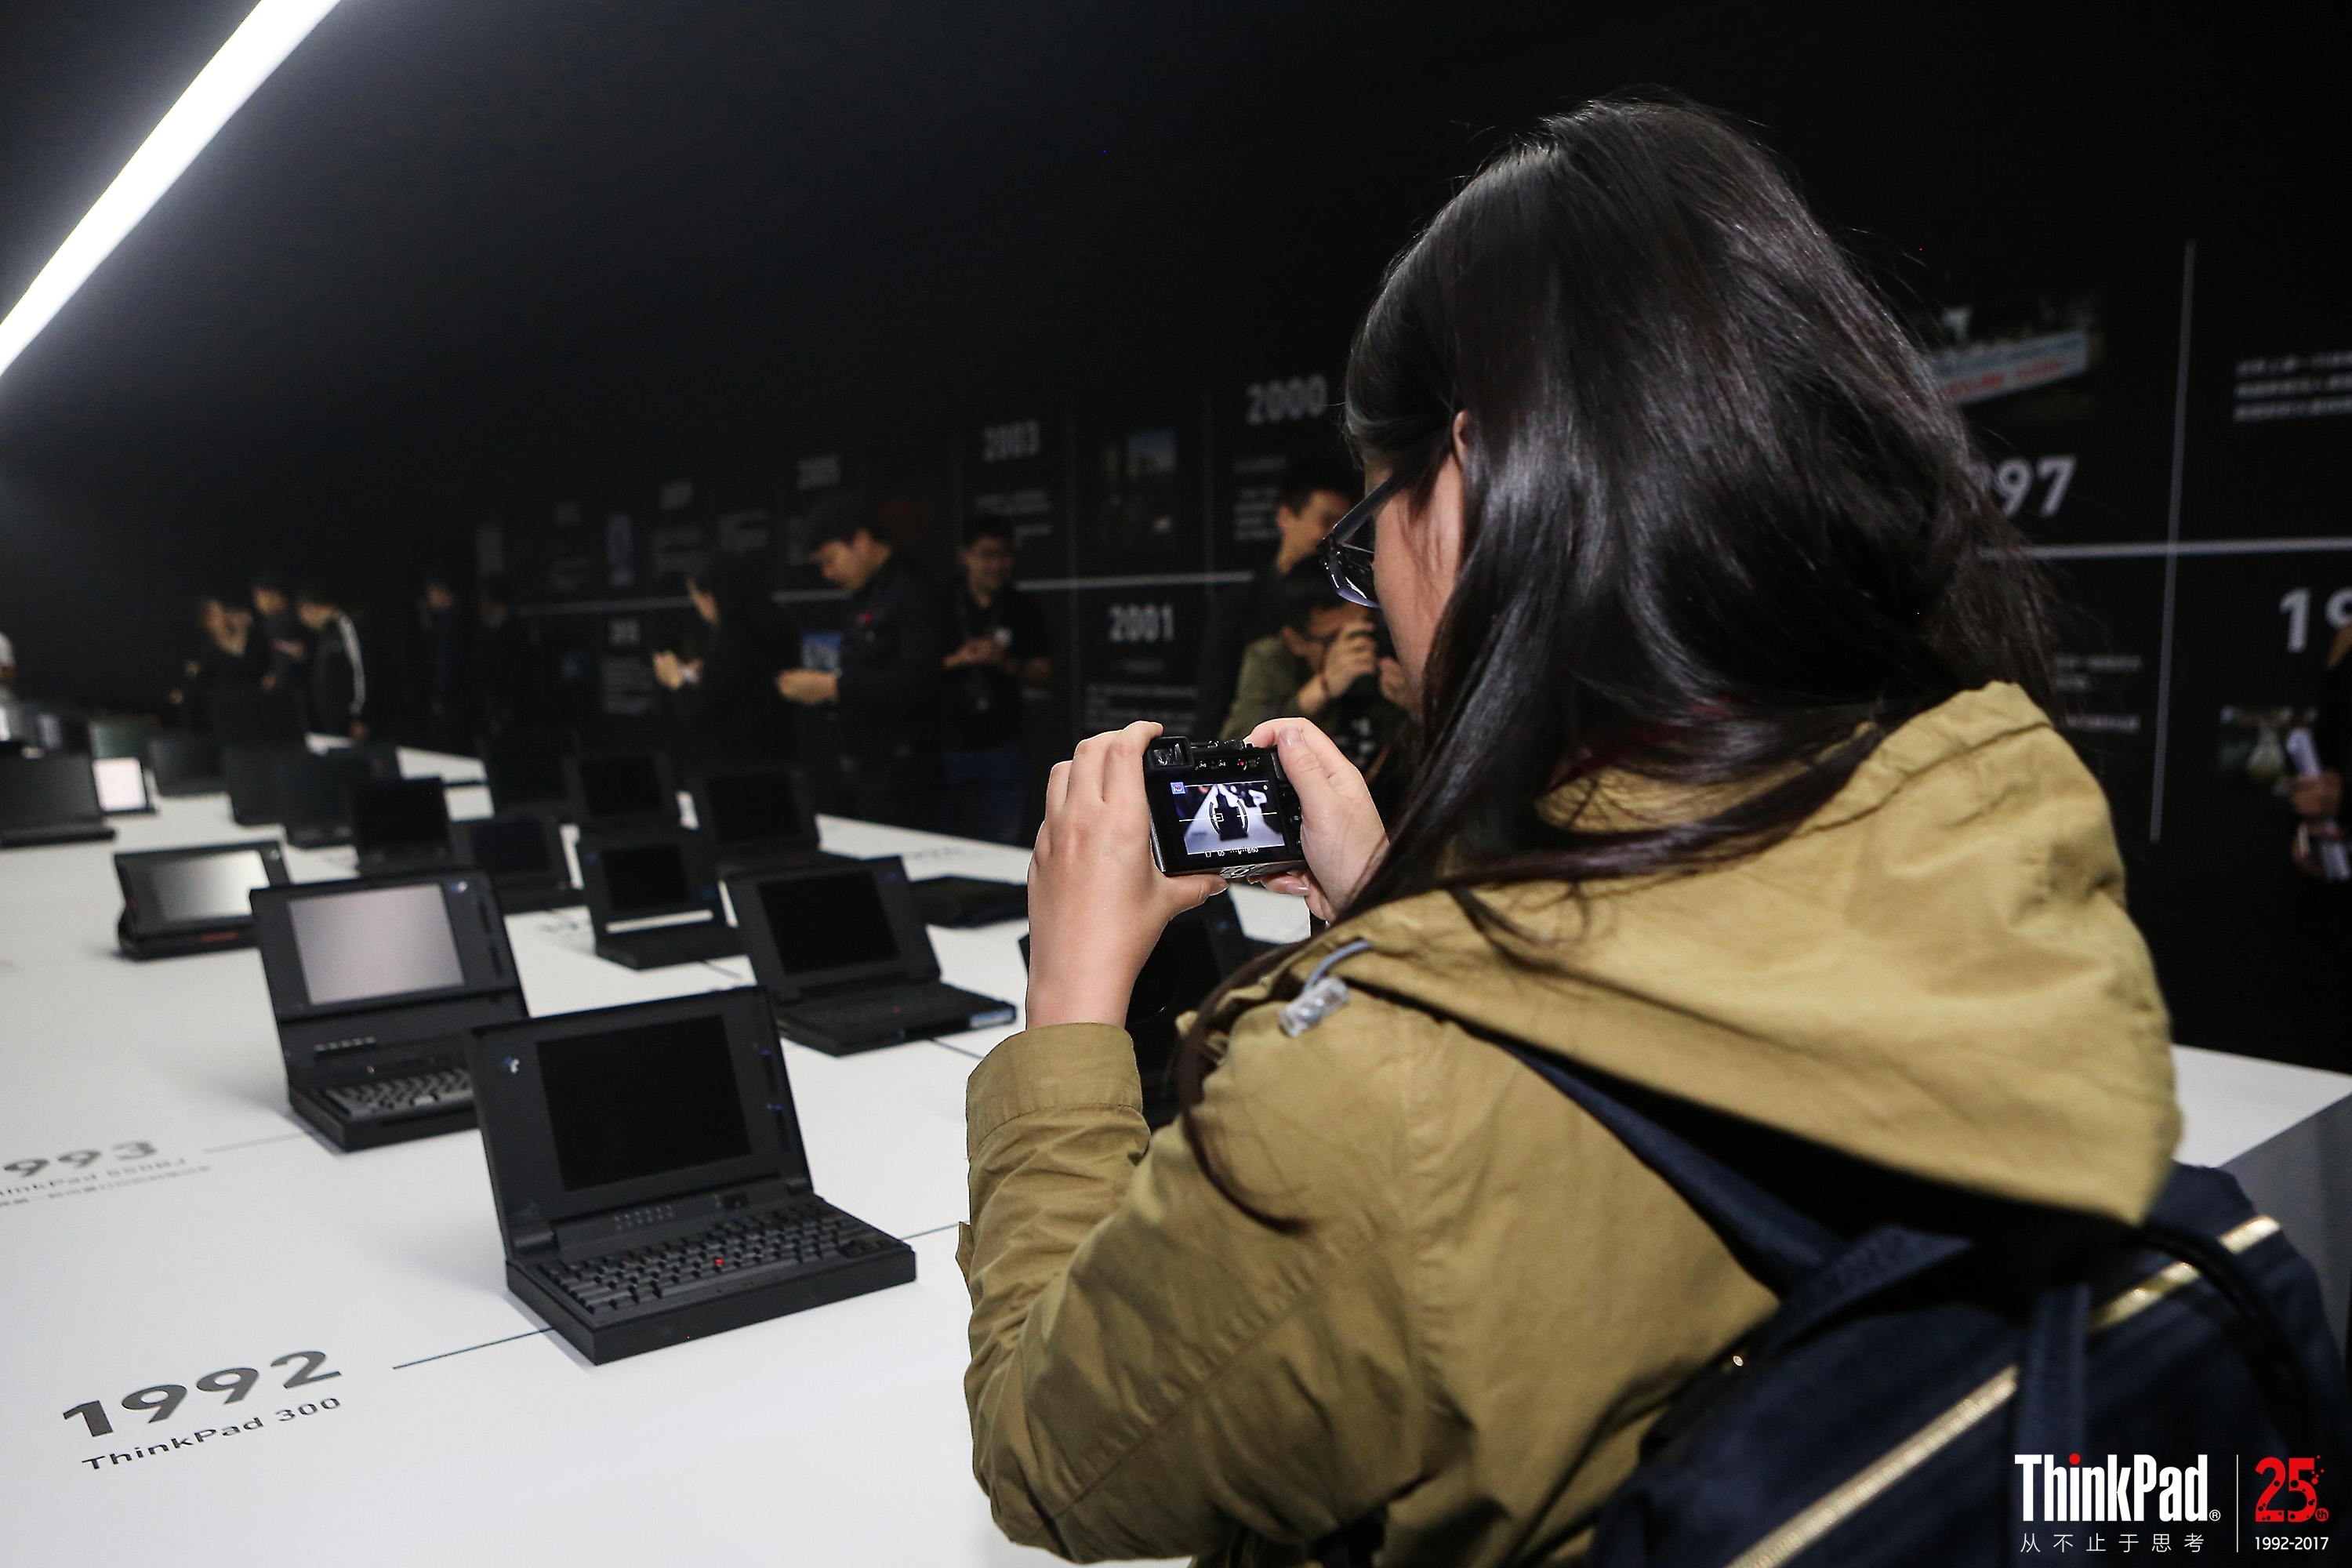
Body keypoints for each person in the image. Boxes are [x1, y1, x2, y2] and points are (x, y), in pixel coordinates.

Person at [962, 99, 2177, 1566]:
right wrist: (1392, 912)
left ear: (1470, 489)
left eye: (1374, 522)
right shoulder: (1991, 815)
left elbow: (1050, 1452)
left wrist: (1072, 1004)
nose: (1369, 589)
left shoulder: (1375, 1115)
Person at [777, 494, 946, 829]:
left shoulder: (910, 592)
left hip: (903, 772)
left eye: (830, 559)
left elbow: (920, 680)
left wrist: (835, 686)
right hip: (866, 764)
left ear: (861, 541)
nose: (827, 573)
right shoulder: (868, 595)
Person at [1194, 468, 1356, 736]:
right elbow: (1213, 719)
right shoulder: (1238, 608)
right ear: (1285, 517)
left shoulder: (1356, 601)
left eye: (1348, 527)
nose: (1337, 538)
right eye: (1327, 521)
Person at [1217, 572, 1410, 787]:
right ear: (1296, 641)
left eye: (1360, 632)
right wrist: (1321, 688)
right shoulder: (1272, 659)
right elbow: (1237, 746)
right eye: (1333, 638)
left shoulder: (1392, 648)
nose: (1354, 648)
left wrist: (1417, 706)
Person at [937, 517, 1053, 844]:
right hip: (945, 742)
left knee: (1003, 841)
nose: (997, 564)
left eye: (1005, 554)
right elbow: (913, 668)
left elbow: (1044, 671)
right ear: (966, 555)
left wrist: (1005, 662)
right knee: (937, 836)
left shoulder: (1023, 607)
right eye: (987, 554)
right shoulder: (941, 603)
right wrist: (958, 659)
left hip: (1003, 744)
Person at [654, 560, 799, 766]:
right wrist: (710, 673)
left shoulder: (730, 640)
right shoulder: (773, 624)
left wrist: (675, 680)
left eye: (696, 599)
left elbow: (701, 717)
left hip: (739, 761)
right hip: (782, 754)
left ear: (709, 597)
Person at [169, 593, 267, 730]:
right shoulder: (207, 654)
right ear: (206, 621)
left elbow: (258, 664)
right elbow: (206, 685)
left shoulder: (253, 635)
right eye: (213, 614)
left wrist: (245, 630)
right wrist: (185, 694)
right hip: (232, 714)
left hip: (263, 703)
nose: (222, 615)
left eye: (221, 610)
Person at [294, 579, 376, 739]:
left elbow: (361, 670)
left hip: (348, 722)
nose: (304, 621)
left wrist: (360, 715)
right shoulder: (328, 633)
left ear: (308, 607)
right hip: (329, 720)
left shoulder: (347, 627)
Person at [417, 572, 477, 753]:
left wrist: (438, 694)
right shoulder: (466, 615)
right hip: (467, 696)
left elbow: (446, 660)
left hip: (453, 699)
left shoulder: (449, 621)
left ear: (440, 590)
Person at [474, 572, 535, 736]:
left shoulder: (512, 629)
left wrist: (510, 705)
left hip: (511, 704)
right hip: (501, 701)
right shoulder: (497, 627)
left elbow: (516, 669)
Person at [250, 569, 310, 697]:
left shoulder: (279, 623)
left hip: (293, 696)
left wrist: (275, 681)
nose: (257, 601)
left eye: (260, 595)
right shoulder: (299, 617)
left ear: (275, 594)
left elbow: (285, 667)